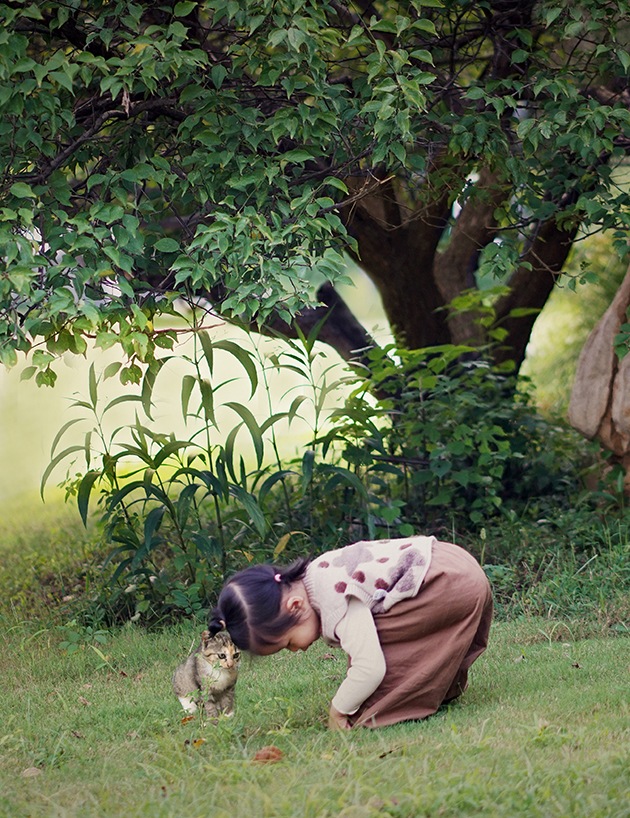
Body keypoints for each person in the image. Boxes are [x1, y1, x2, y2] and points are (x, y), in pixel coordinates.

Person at [208, 535, 493, 729]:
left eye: (287, 644)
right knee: (370, 625)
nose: (296, 650)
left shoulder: (336, 600)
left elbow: (370, 667)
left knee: (371, 654)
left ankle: (402, 698)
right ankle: (435, 686)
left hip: (448, 583)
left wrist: (339, 709)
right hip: (456, 561)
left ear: (295, 606)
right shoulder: (319, 570)